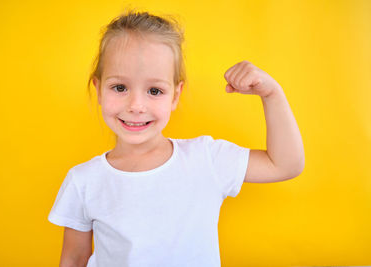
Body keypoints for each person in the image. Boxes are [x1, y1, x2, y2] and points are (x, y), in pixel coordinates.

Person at [48, 9, 305, 267]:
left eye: (154, 90)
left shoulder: (207, 159)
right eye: (120, 87)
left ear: (175, 95)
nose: (136, 105)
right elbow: (74, 258)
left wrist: (272, 94)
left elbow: (285, 164)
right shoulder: (83, 181)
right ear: (99, 90)